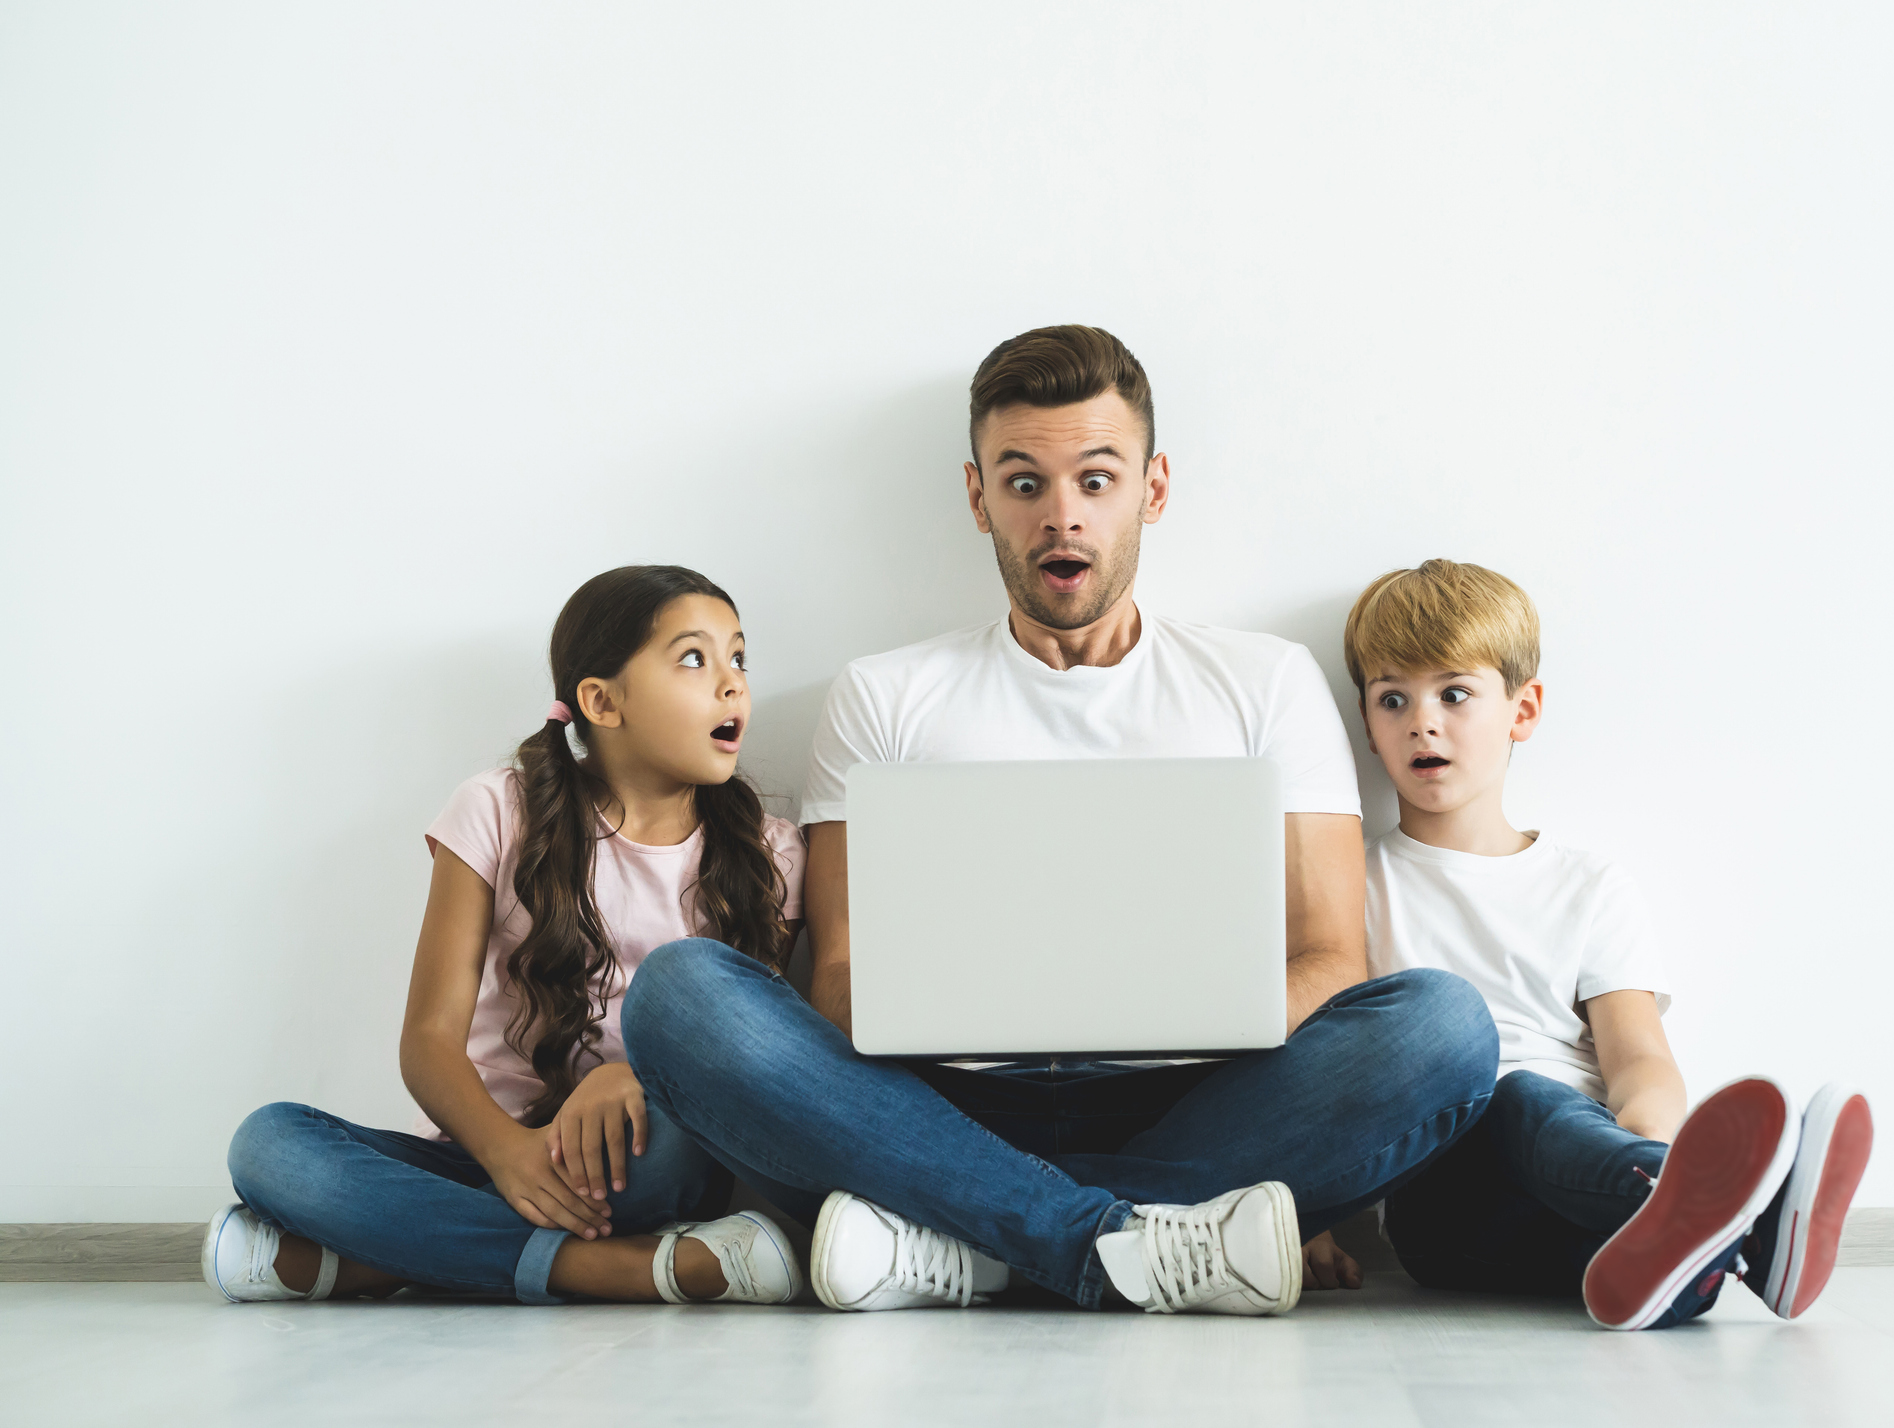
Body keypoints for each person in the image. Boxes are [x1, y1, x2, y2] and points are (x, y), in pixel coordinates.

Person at [620, 326, 1501, 1317]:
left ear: (1152, 489)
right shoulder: (885, 695)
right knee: (683, 994)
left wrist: (1182, 1009)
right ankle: (1117, 1243)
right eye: (1024, 483)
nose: (1062, 516)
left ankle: (968, 1244)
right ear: (978, 498)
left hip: (1203, 1102)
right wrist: (968, 1008)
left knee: (1442, 1028)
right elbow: (838, 977)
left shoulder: (1264, 683)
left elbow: (1333, 959)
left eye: (1096, 479)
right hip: (935, 1107)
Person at [205, 566, 808, 1307]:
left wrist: (634, 1078)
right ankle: (613, 1269)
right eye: (694, 657)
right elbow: (428, 1040)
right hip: (481, 1150)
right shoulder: (497, 809)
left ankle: (377, 1259)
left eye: (739, 657)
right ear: (602, 701)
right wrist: (508, 1154)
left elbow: (744, 1060)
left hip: (634, 1157)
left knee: (682, 1150)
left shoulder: (771, 853)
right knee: (269, 1144)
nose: (732, 682)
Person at [1317, 558, 1874, 1328]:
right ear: (1367, 724)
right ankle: (1748, 1219)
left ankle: (1700, 1248)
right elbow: (1317, 1070)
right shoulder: (1349, 885)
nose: (1422, 722)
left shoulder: (1588, 885)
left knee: (1647, 1253)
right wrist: (1303, 1214)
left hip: (1589, 1181)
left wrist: (1641, 1146)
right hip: (1446, 1206)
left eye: (1454, 694)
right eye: (1392, 699)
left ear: (1523, 709)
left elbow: (1639, 1059)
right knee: (1514, 1096)